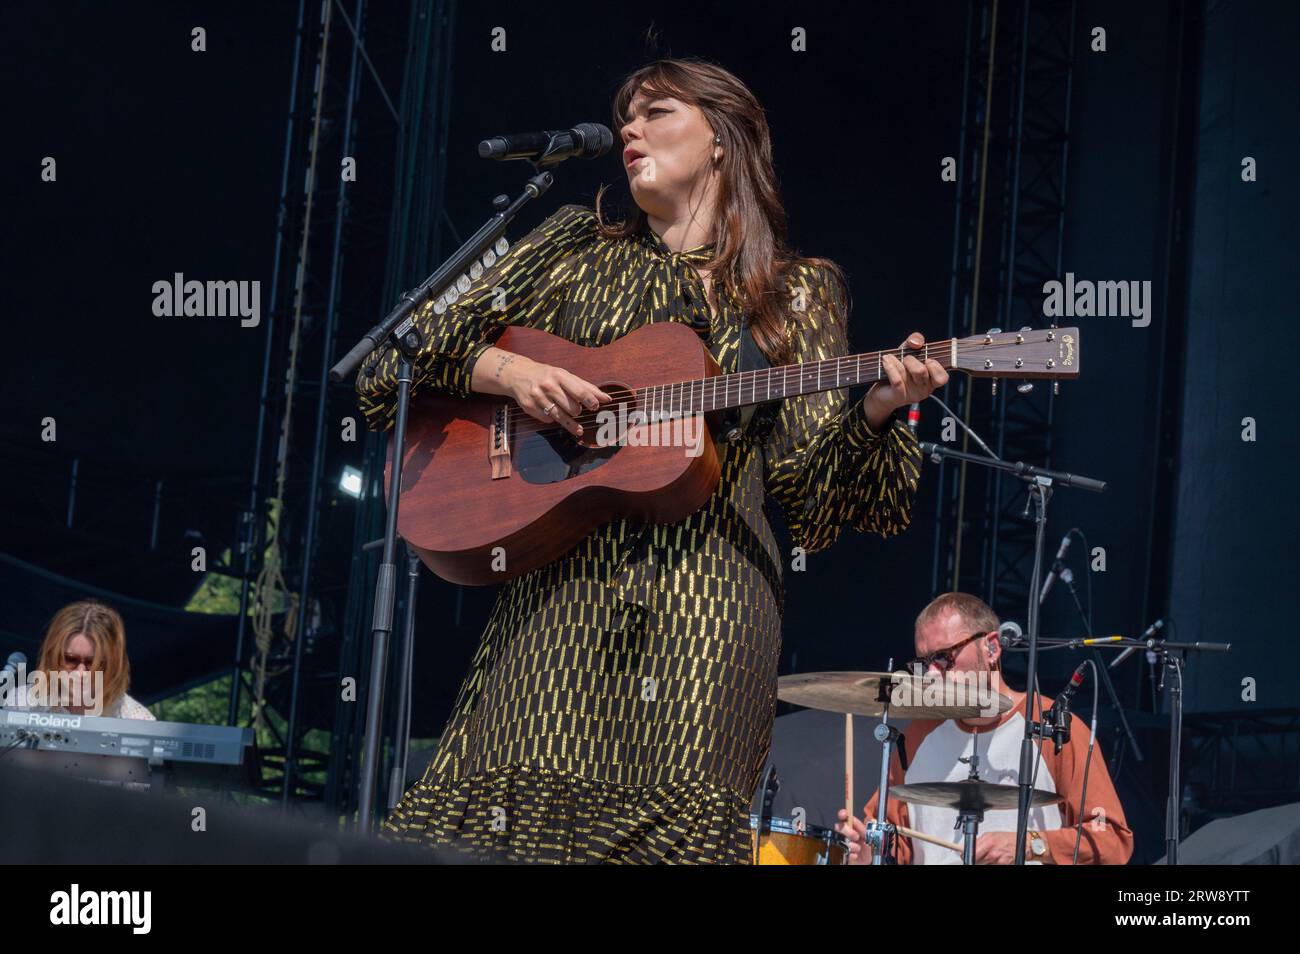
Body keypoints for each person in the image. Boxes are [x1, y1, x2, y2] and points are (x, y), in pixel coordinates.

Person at [357, 57, 946, 863]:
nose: (629, 130)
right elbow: (393, 361)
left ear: (721, 140)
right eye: (624, 117)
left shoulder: (795, 293)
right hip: (562, 597)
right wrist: (515, 374)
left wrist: (879, 410)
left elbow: (817, 498)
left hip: (709, 608)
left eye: (656, 112)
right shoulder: (572, 247)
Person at [836, 592, 1133, 864]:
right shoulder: (918, 735)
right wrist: (865, 854)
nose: (932, 676)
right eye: (924, 664)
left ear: (991, 647)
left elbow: (1111, 841)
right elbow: (890, 842)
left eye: (943, 658)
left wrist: (1031, 844)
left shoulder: (1053, 726)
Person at [7, 599, 156, 721]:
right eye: (70, 659)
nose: (81, 672)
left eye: (94, 663)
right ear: (52, 656)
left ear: (114, 665)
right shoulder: (21, 704)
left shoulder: (138, 721)